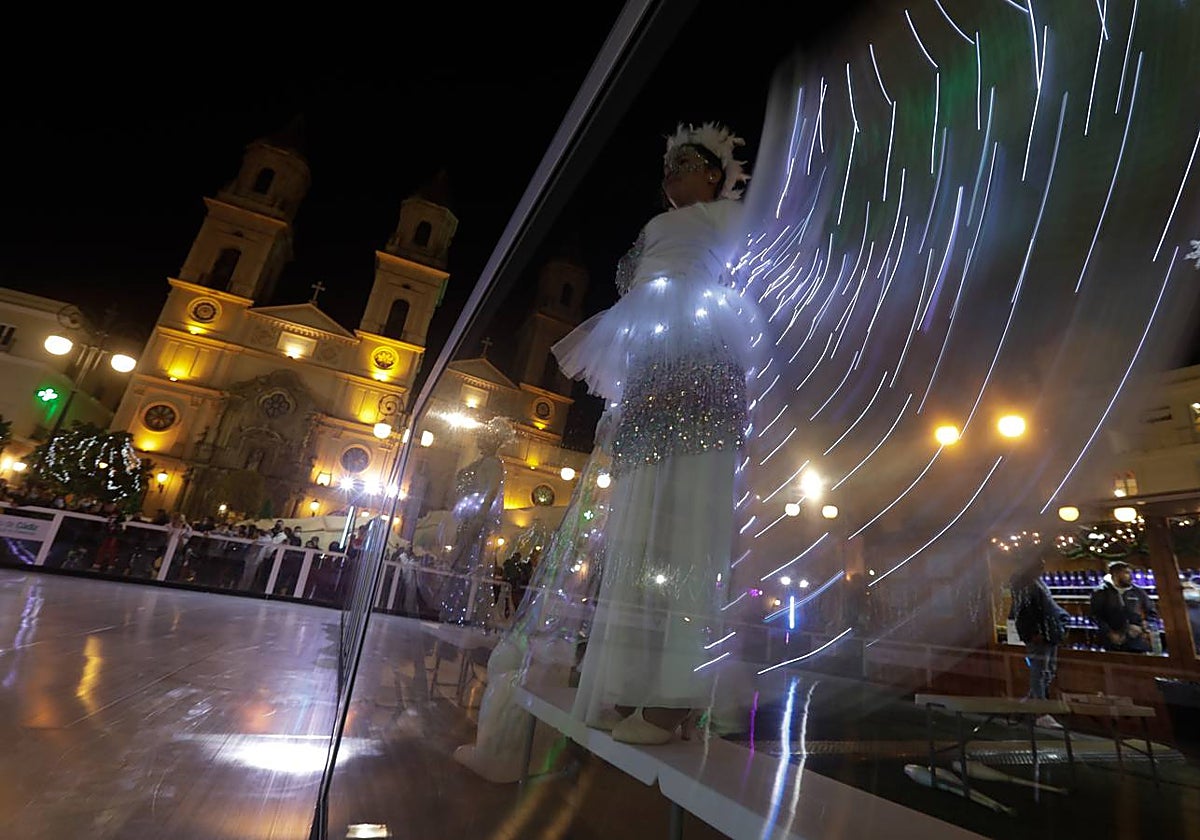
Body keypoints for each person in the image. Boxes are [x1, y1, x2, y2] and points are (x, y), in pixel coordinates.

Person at [552, 122, 762, 745]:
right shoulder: (652, 230)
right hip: (650, 367)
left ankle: (676, 693)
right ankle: (628, 679)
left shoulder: (729, 218)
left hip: (701, 358)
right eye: (668, 165)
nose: (673, 174)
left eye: (688, 163)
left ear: (716, 175)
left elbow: (779, 243)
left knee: (688, 520)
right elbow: (627, 286)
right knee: (638, 527)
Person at [437, 417, 514, 626]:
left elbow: (489, 495)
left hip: (477, 521)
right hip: (470, 518)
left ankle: (466, 611)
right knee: (462, 562)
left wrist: (479, 518)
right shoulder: (483, 463)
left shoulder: (493, 464)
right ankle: (456, 609)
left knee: (469, 562)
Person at [1007, 547, 1070, 728]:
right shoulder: (1024, 584)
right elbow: (1023, 612)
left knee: (1047, 670)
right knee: (1040, 671)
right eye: (1039, 564)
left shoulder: (1036, 583)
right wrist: (1032, 632)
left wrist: (1063, 619)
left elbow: (1050, 607)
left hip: (1048, 633)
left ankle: (1026, 706)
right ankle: (1040, 712)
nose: (1042, 567)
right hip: (1040, 634)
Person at [1090, 560, 1159, 653]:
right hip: (1112, 645)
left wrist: (1144, 626)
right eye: (1126, 573)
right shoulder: (1101, 592)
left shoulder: (1138, 592)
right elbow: (1095, 616)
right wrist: (1109, 633)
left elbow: (1152, 613)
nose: (1131, 576)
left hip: (1137, 643)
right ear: (1115, 574)